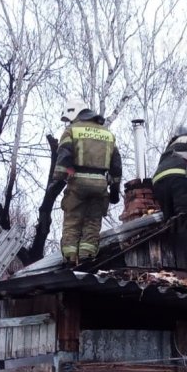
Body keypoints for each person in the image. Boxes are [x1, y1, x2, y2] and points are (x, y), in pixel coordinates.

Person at [50, 99, 123, 264]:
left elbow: (63, 158)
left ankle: (70, 258)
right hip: (100, 185)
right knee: (93, 221)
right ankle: (87, 257)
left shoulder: (72, 130)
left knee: (73, 220)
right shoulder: (108, 134)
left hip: (78, 182)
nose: (69, 122)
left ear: (74, 112)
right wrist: (115, 190)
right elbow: (116, 166)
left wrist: (58, 179)